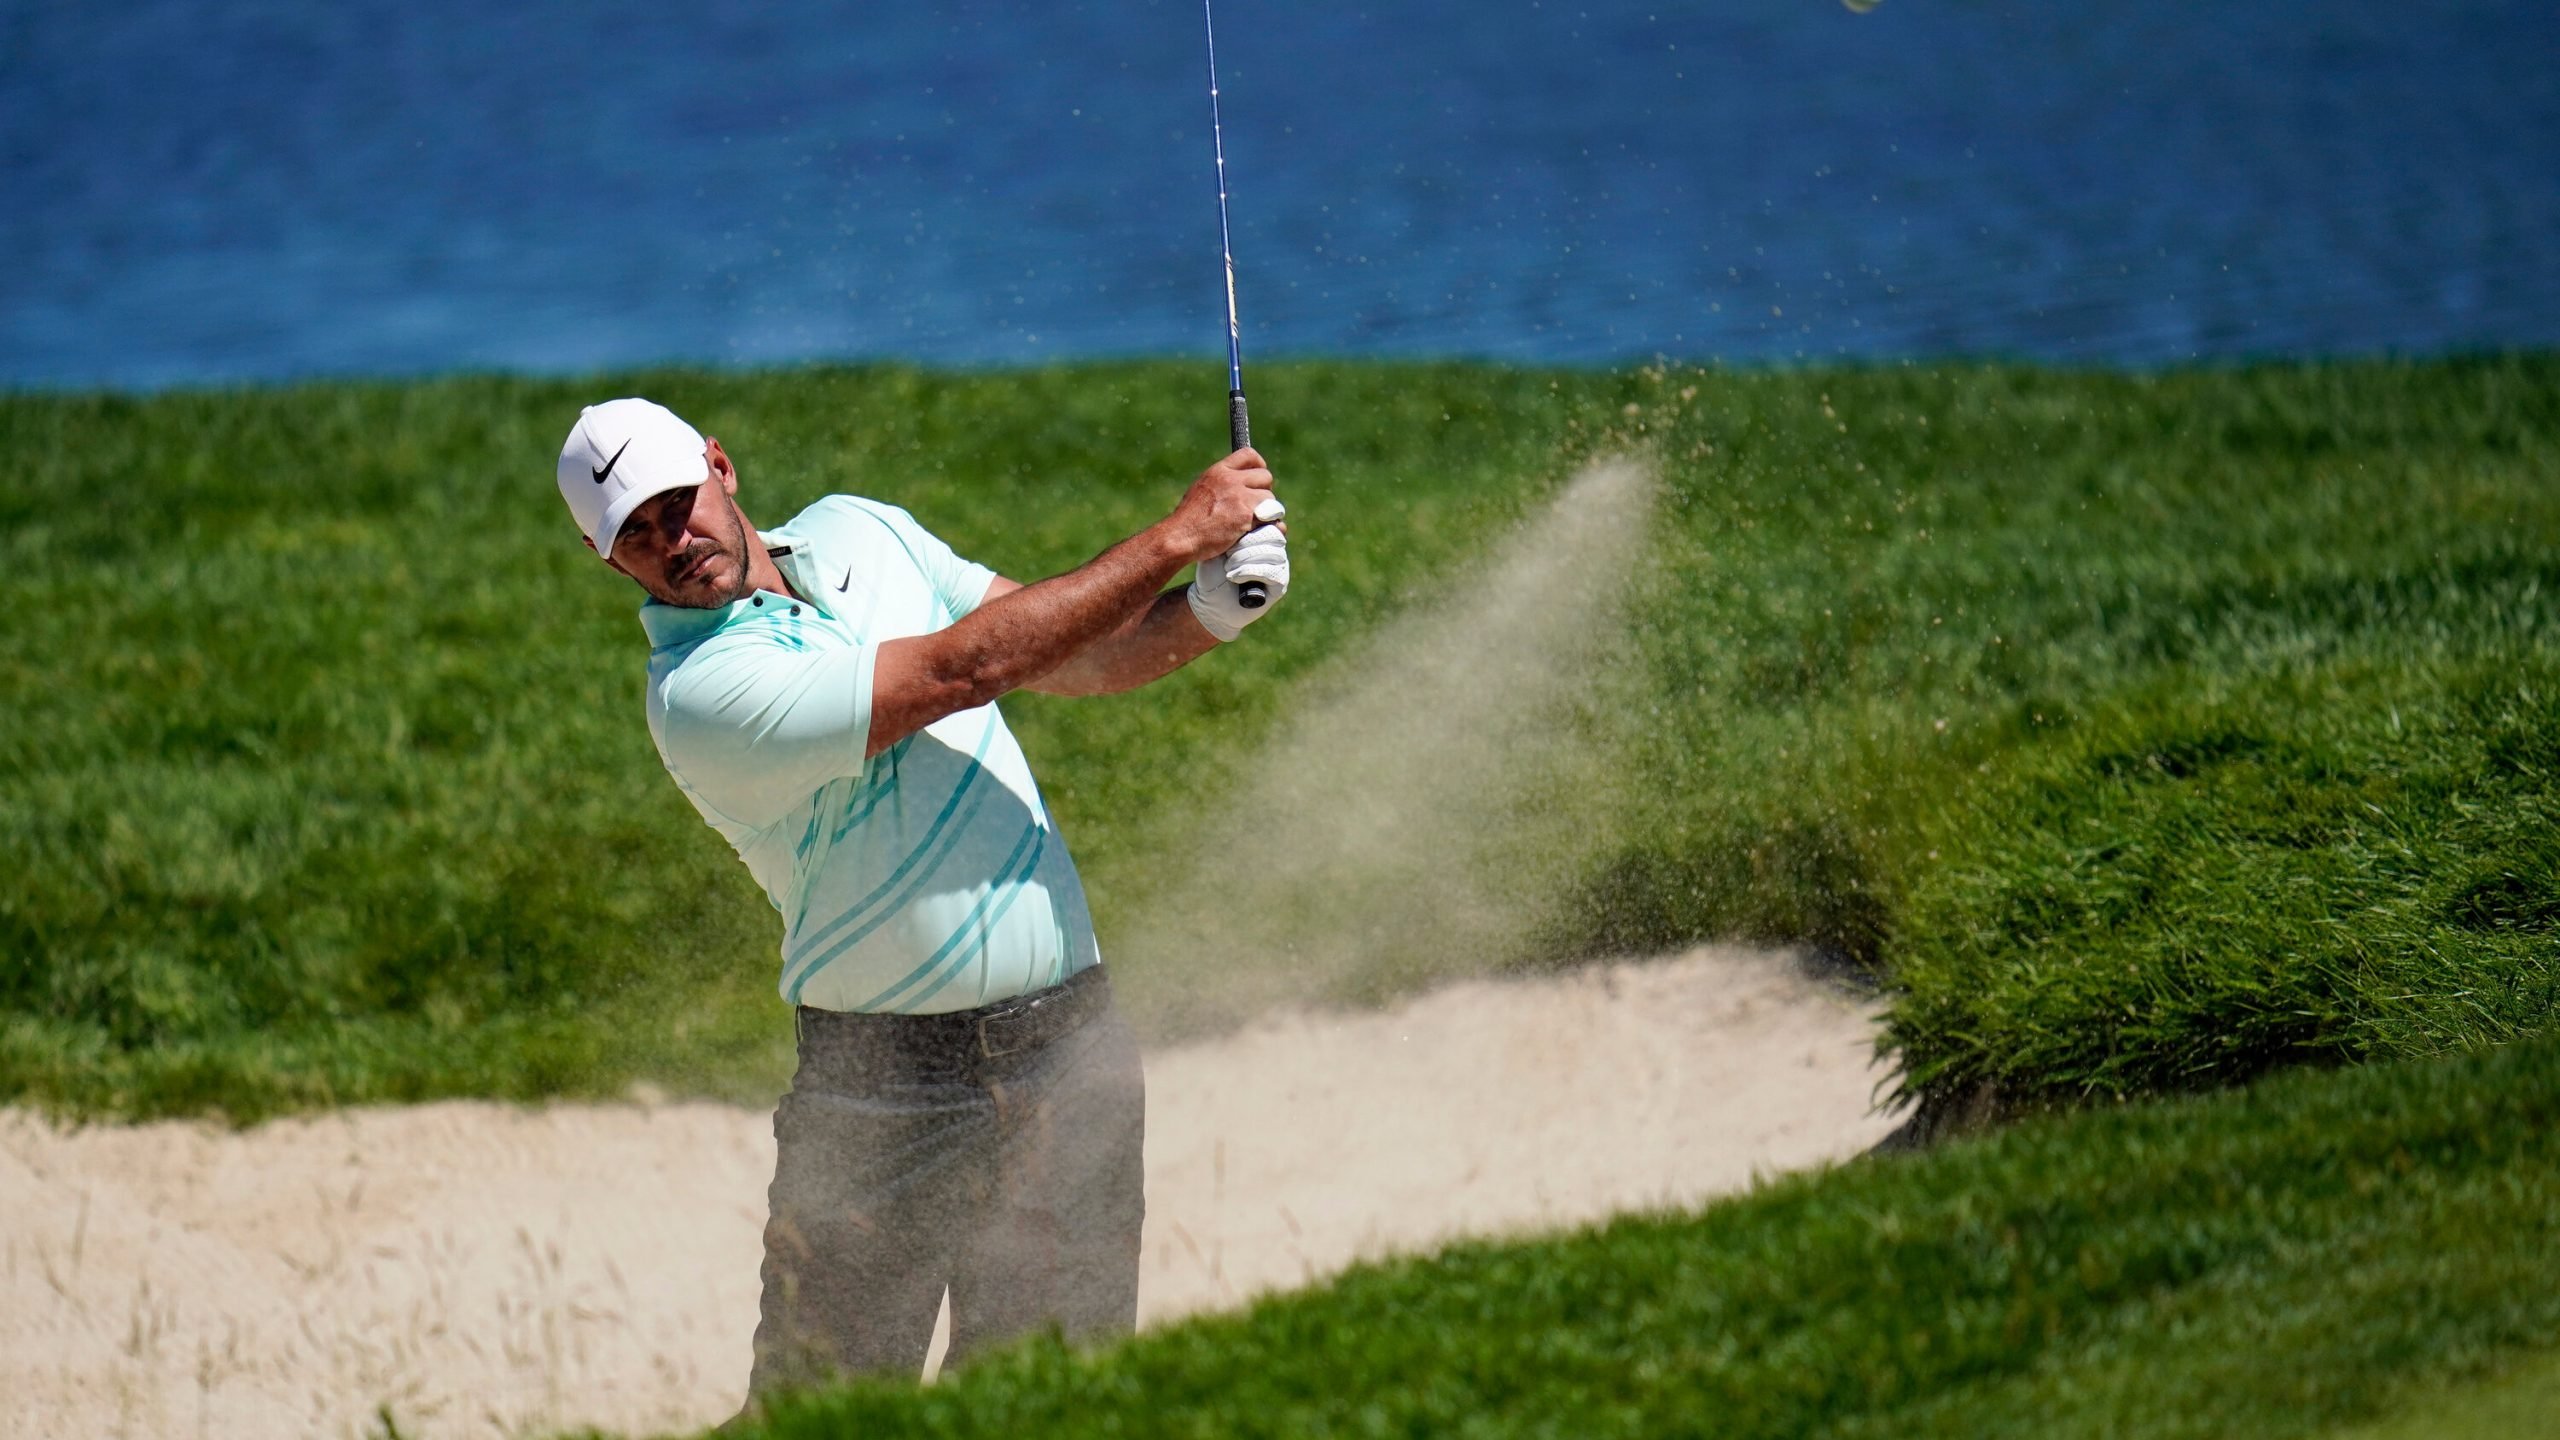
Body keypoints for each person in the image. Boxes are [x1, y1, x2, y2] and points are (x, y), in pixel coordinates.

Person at [550, 397, 1289, 1396]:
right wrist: (1177, 536)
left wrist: (1206, 610)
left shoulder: (861, 527)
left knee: (1053, 1399)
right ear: (608, 561)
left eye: (675, 502)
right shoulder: (704, 694)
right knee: (825, 1412)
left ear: (720, 467)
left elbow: (1068, 654)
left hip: (1070, 1050)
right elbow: (968, 667)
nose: (669, 541)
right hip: (880, 1089)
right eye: (633, 534)